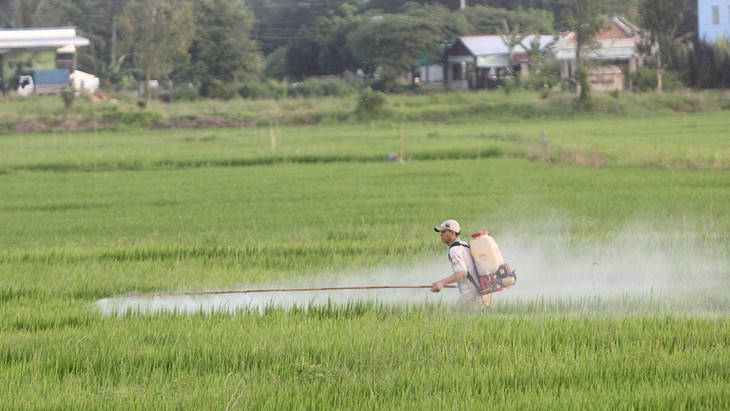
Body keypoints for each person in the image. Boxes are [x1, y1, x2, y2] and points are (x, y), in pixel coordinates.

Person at [431, 219, 492, 308]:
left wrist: (443, 283)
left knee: (456, 317)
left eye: (443, 231)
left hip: (470, 293)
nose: (441, 234)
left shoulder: (454, 250)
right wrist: (439, 282)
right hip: (483, 289)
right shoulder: (464, 245)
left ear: (452, 232)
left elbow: (462, 272)